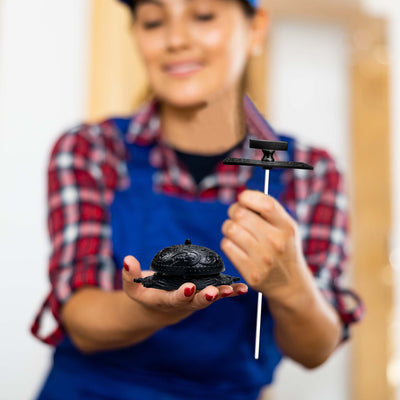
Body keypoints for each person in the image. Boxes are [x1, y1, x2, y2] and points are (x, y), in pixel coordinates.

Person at [31, 0, 363, 398]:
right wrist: (152, 306)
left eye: (203, 15)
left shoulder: (310, 173)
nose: (175, 39)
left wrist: (290, 283)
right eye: (154, 22)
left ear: (255, 28)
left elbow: (315, 350)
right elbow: (80, 318)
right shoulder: (92, 151)